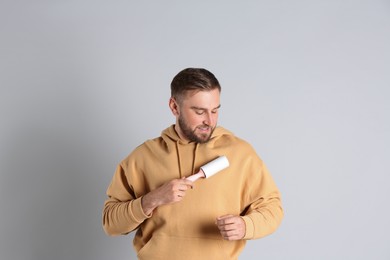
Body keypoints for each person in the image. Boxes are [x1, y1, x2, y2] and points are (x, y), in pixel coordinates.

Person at [102, 68, 283, 260]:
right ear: (174, 107)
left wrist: (246, 225)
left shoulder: (240, 154)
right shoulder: (143, 157)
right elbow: (110, 223)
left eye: (214, 110)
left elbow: (273, 210)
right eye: (199, 112)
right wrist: (151, 200)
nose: (210, 121)